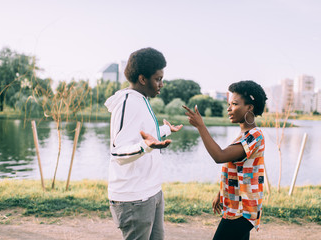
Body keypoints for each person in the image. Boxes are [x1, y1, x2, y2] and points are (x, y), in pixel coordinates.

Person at [104, 47, 182, 240]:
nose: (161, 84)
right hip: (134, 198)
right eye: (158, 79)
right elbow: (117, 152)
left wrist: (164, 130)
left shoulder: (142, 100)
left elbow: (144, 134)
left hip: (152, 191)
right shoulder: (127, 102)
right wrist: (145, 147)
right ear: (142, 79)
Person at [183, 80, 267, 240]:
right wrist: (220, 193)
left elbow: (219, 156)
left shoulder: (254, 136)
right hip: (236, 207)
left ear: (249, 107)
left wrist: (201, 126)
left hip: (243, 211)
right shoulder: (244, 135)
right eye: (229, 103)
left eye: (234, 104)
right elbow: (235, 169)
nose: (228, 109)